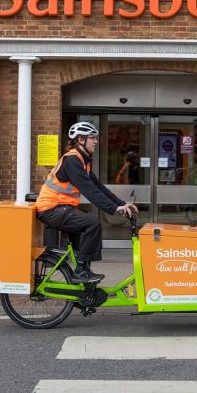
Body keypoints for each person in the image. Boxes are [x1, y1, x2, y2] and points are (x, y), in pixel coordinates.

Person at [35, 121, 137, 292]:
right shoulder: (72, 160)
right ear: (81, 140)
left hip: (62, 208)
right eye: (92, 138)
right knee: (92, 223)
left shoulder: (83, 161)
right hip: (51, 209)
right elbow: (89, 190)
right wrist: (114, 209)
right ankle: (81, 271)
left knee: (84, 234)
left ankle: (83, 279)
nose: (95, 141)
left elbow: (99, 187)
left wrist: (121, 203)